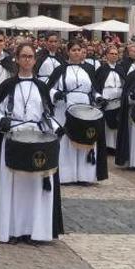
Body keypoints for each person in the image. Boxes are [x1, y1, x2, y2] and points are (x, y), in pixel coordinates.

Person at [0, 43, 63, 245]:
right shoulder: (7, 86)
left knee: (35, 189)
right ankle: (12, 229)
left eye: (31, 57)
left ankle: (35, 231)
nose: (27, 60)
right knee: (12, 188)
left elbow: (47, 114)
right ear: (17, 59)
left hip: (37, 143)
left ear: (35, 60)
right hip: (13, 142)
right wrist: (2, 122)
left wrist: (56, 127)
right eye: (23, 56)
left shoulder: (42, 87)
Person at [48, 40, 108, 185]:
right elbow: (49, 88)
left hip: (85, 109)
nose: (76, 52)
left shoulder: (88, 70)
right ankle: (66, 176)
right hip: (65, 108)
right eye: (73, 50)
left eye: (79, 50)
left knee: (85, 139)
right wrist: (56, 94)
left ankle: (84, 176)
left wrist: (99, 98)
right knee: (67, 141)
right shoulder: (60, 70)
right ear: (68, 52)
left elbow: (94, 90)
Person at [95, 46, 124, 153]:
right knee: (107, 125)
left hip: (119, 100)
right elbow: (97, 85)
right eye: (111, 53)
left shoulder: (120, 69)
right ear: (106, 55)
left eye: (116, 54)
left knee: (117, 123)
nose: (114, 55)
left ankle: (116, 146)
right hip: (106, 100)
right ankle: (106, 147)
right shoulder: (101, 69)